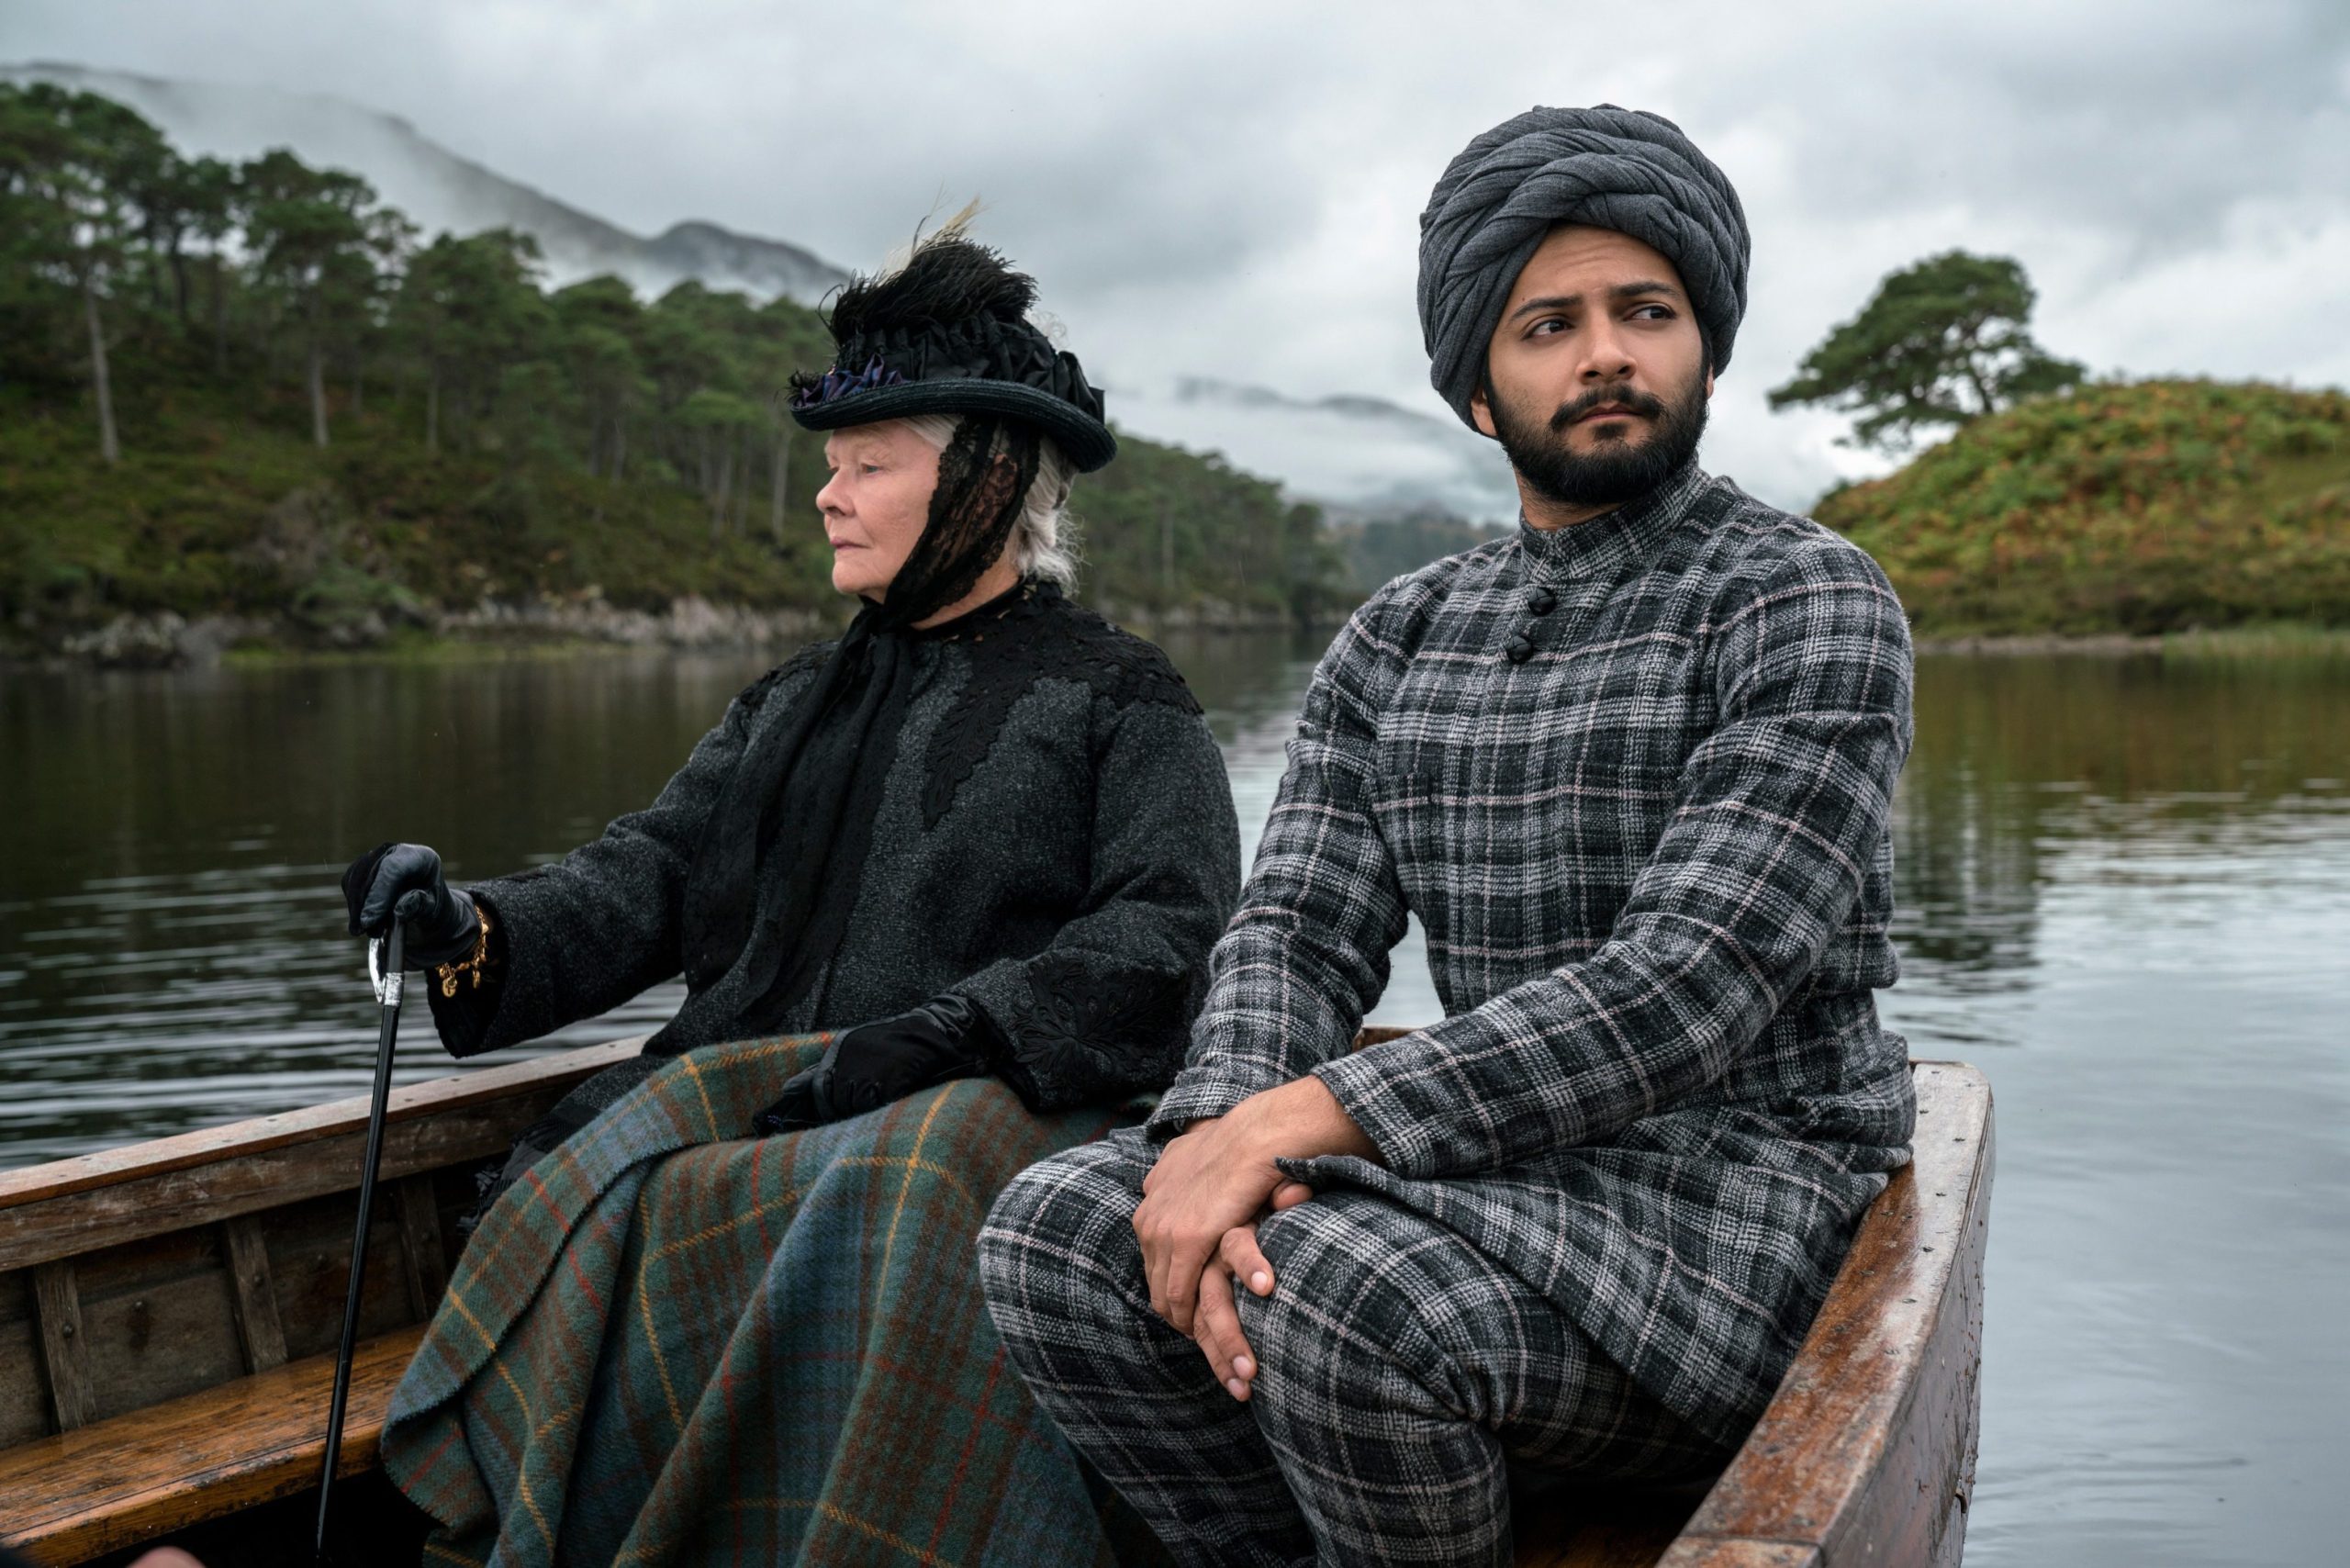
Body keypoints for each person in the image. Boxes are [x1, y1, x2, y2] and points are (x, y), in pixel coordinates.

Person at [979, 105, 1918, 1567]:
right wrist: (1213, 1141)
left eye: (1645, 311)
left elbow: (1689, 987)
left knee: (1343, 1294)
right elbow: (1294, 930)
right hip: (1505, 1174)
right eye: (1548, 324)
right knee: (1055, 1233)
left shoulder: (1806, 600)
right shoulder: (1399, 636)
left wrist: (1288, 1130)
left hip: (1743, 1195)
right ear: (1480, 389)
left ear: (1707, 351)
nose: (1604, 352)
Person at [348, 224, 1241, 1566]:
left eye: (868, 466)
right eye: (830, 468)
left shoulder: (1123, 699)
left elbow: (1171, 934)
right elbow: (644, 876)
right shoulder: (785, 705)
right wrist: (465, 927)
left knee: (921, 1174)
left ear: (990, 482)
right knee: (624, 1186)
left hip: (992, 1114)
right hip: (759, 1115)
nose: (828, 497)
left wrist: (961, 1030)